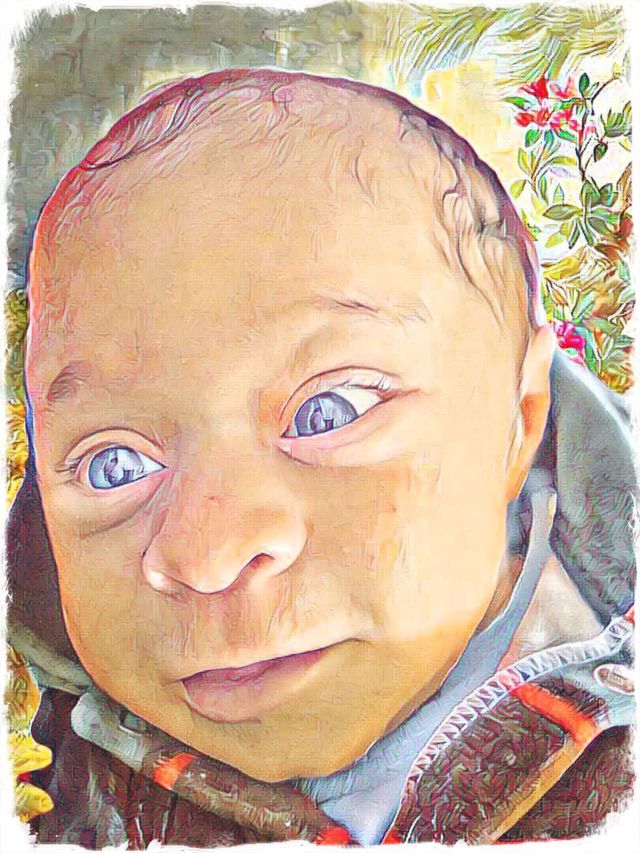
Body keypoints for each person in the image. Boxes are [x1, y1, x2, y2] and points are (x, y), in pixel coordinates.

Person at [7, 68, 636, 847]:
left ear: (520, 419)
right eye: (116, 466)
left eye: (328, 411)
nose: (208, 556)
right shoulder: (61, 767)